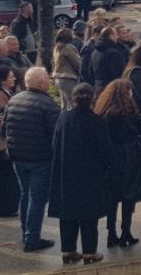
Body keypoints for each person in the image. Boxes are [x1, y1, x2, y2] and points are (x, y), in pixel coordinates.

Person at [49, 84, 117, 264]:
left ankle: (68, 250)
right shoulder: (96, 121)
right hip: (90, 174)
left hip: (67, 173)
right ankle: (89, 252)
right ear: (92, 99)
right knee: (89, 215)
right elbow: (105, 150)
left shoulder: (64, 119)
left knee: (68, 213)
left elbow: (55, 145)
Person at [3, 67, 61, 252]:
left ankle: (26, 233)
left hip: (18, 156)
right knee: (37, 199)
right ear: (42, 83)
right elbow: (56, 135)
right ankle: (32, 238)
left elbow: (5, 127)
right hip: (40, 159)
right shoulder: (48, 105)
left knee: (25, 194)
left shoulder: (14, 100)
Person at [95, 80, 141, 248]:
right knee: (129, 195)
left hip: (112, 157)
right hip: (130, 155)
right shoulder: (129, 112)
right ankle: (126, 231)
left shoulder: (105, 113)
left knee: (112, 196)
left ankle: (111, 233)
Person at [0, 65, 21, 218]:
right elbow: (2, 114)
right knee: (5, 176)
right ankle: (5, 207)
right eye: (11, 76)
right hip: (1, 142)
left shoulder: (4, 91)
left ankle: (4, 206)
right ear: (2, 79)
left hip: (4, 140)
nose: (14, 78)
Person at [51, 29, 83, 109]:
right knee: (73, 104)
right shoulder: (68, 48)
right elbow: (76, 64)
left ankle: (63, 119)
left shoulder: (56, 48)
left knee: (64, 105)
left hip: (58, 78)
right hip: (68, 78)